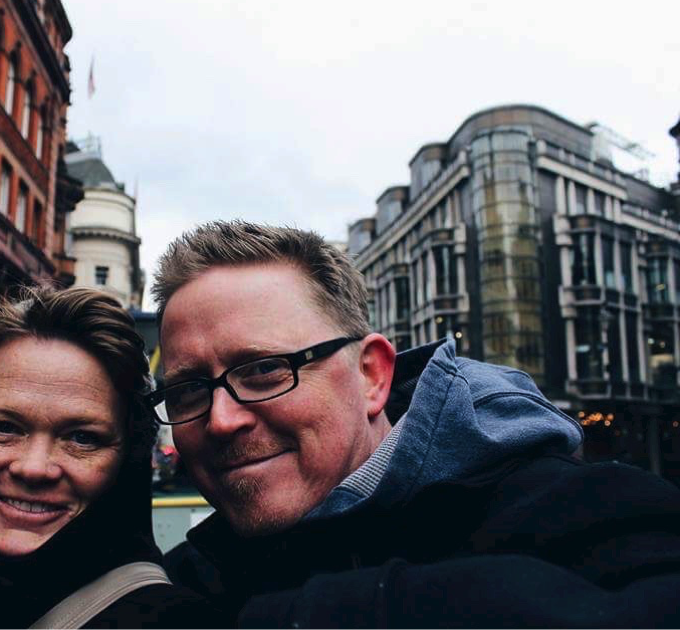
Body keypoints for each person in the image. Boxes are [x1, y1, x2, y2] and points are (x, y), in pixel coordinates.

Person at [149, 220, 680, 630]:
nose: (221, 420)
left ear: (372, 376)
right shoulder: (178, 586)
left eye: (265, 370)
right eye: (188, 389)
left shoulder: (580, 509)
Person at [0, 287, 230, 630]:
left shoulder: (175, 621)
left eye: (82, 438)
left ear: (127, 458)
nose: (33, 468)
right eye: (3, 428)